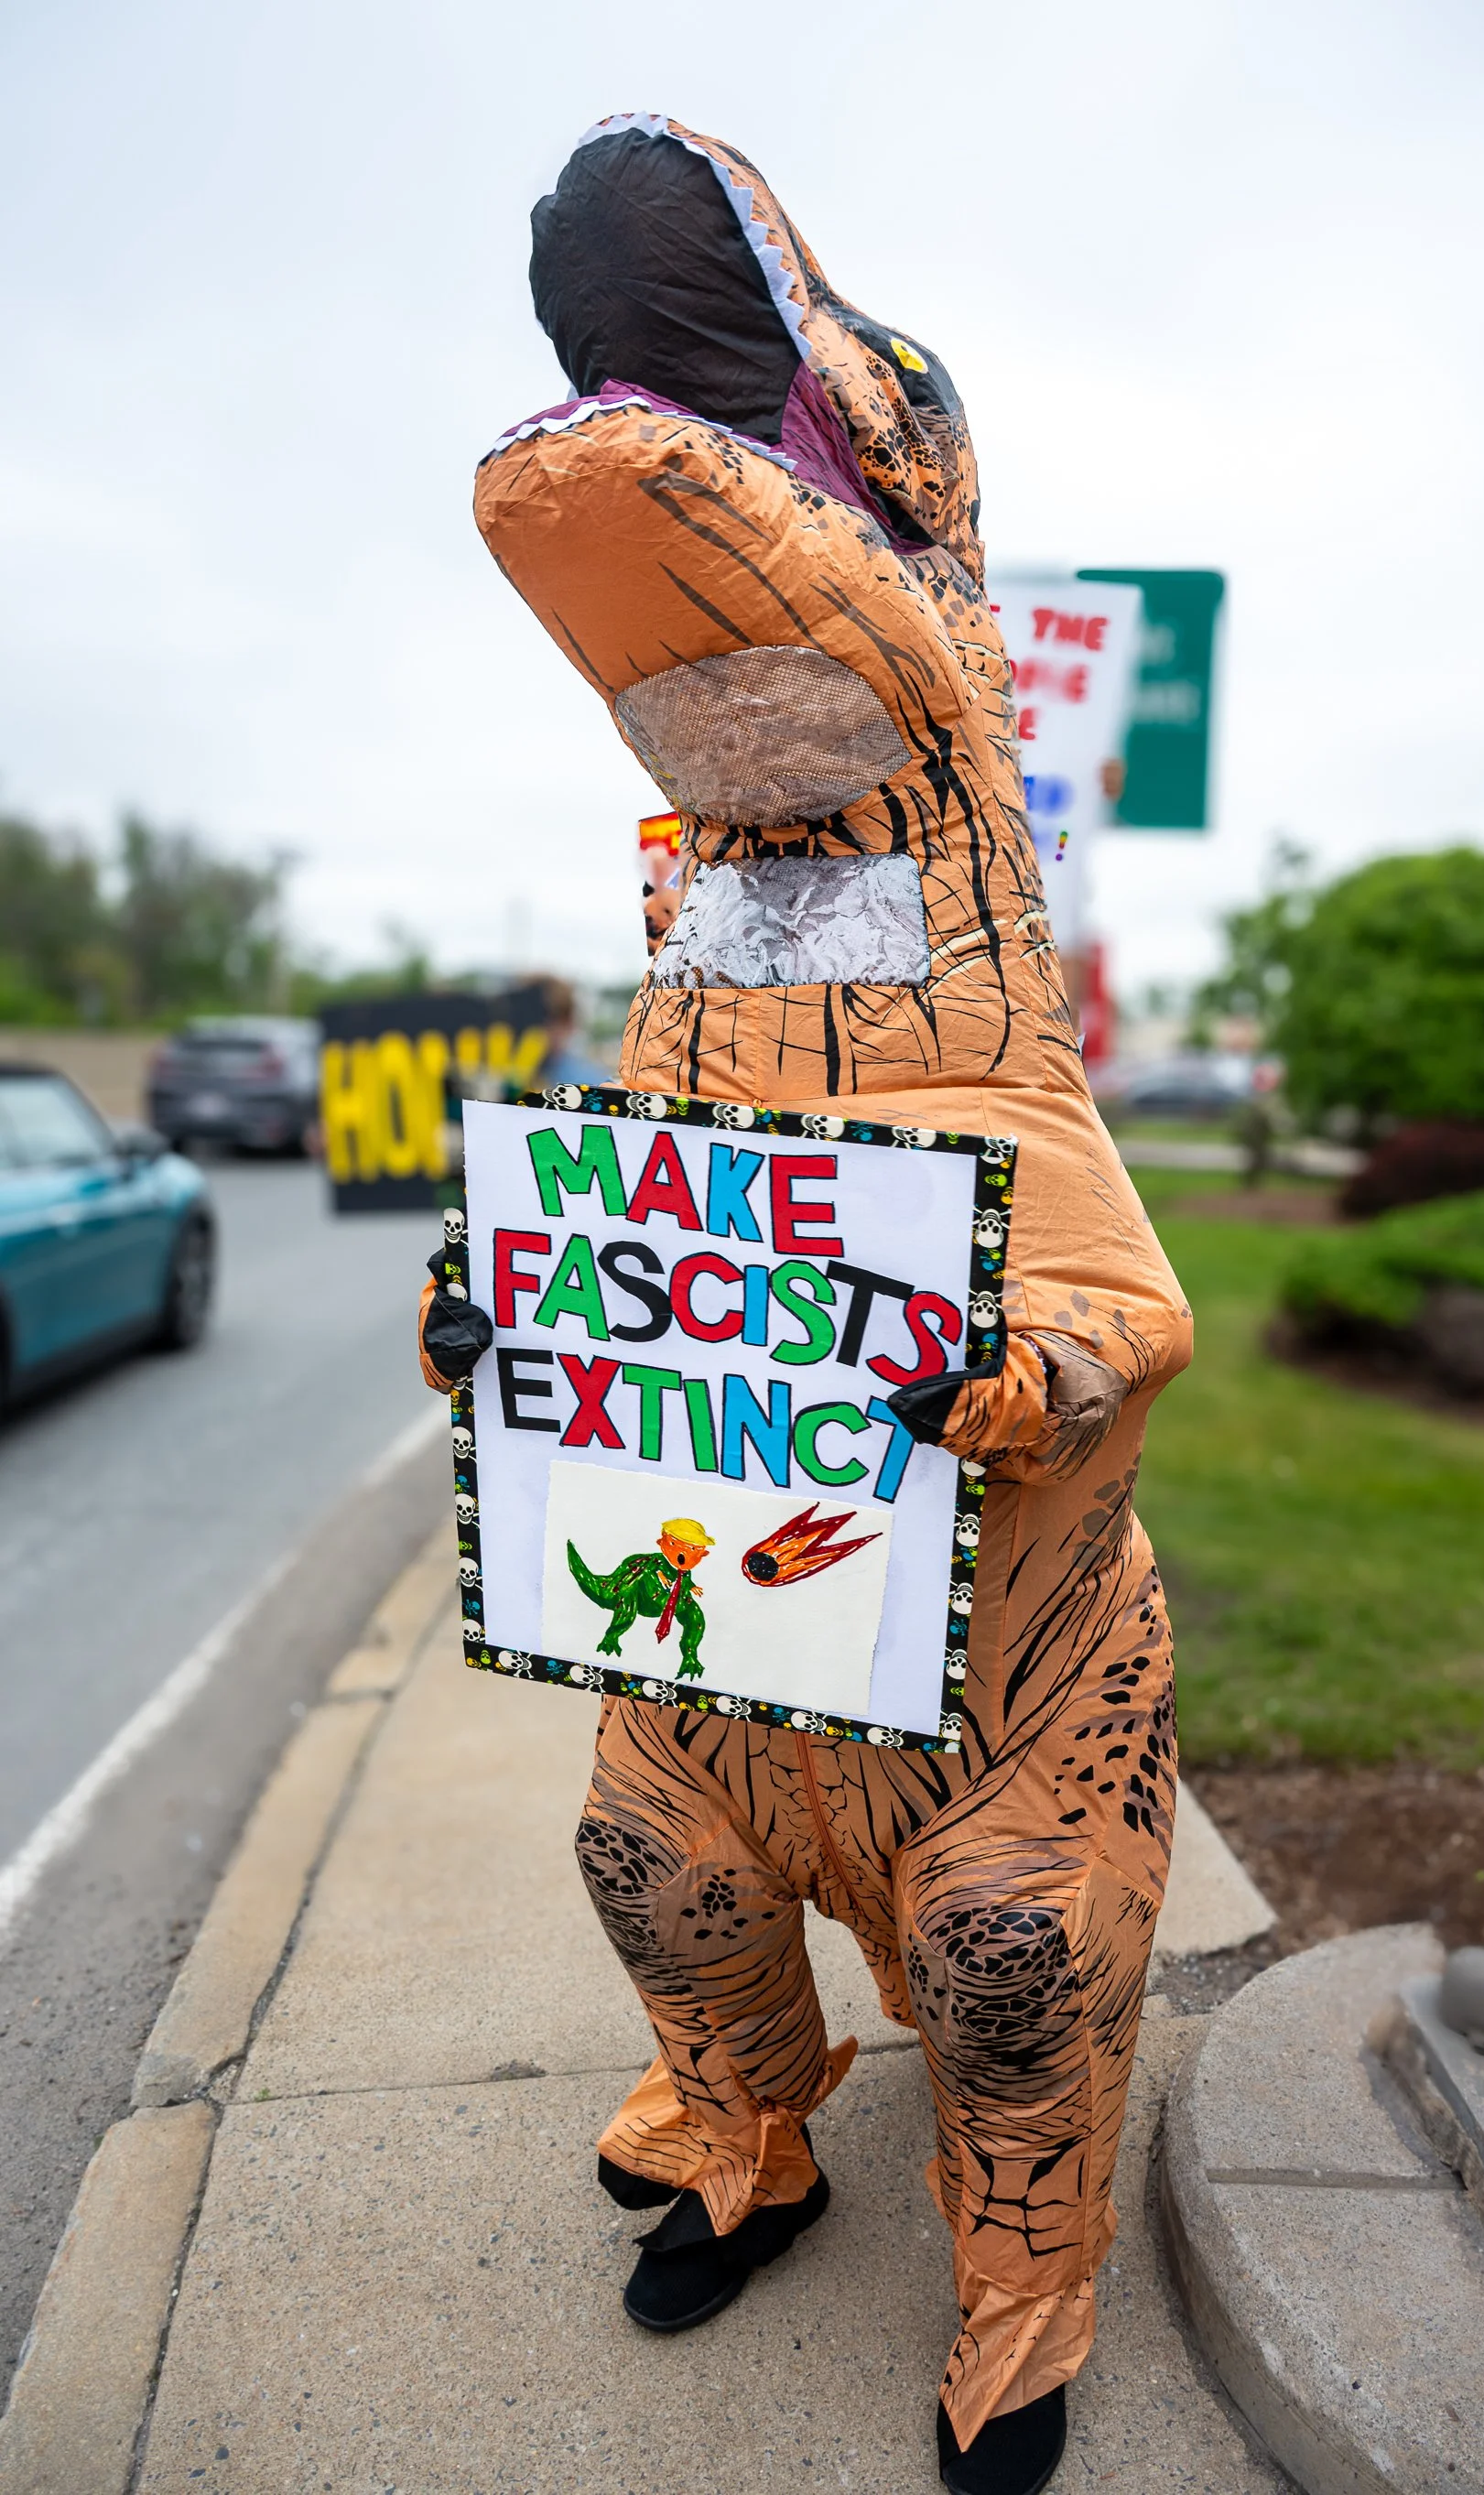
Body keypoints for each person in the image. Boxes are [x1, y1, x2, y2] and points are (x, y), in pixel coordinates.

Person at [419, 114, 1191, 2495]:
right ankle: (748, 2116)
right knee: (643, 1850)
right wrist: (507, 1327)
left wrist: (1017, 1373)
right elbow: (623, 1258)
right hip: (737, 1670)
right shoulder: (695, 979)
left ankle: (1021, 2262)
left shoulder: (980, 1000)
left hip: (999, 1698)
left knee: (1001, 1944)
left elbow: (1123, 1302)